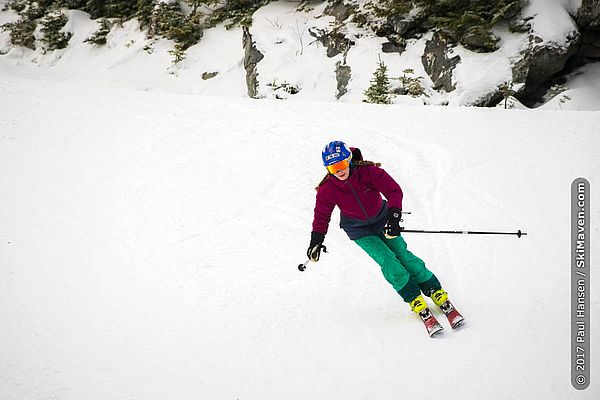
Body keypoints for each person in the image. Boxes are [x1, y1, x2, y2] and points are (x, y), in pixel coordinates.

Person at [307, 140, 450, 316]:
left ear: (349, 160)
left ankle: (433, 289)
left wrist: (394, 217)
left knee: (402, 255)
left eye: (342, 164)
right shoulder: (327, 189)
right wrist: (316, 240)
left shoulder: (368, 172)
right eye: (332, 168)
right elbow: (321, 215)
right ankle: (413, 297)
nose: (339, 171)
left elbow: (393, 191)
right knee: (388, 260)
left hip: (383, 219)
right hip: (358, 230)